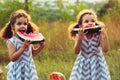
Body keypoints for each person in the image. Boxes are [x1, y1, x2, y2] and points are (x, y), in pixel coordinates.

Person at [0, 9, 45, 80]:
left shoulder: (28, 40)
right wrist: (23, 47)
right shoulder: (12, 41)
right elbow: (13, 58)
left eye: (25, 24)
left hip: (29, 68)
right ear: (12, 26)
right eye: (19, 24)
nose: (23, 26)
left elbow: (31, 54)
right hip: (18, 69)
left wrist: (40, 47)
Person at [68, 9, 111, 80]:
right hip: (83, 64)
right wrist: (80, 38)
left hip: (97, 63)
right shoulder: (78, 35)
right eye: (86, 21)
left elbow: (105, 49)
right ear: (81, 25)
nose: (90, 23)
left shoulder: (98, 34)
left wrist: (104, 35)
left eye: (93, 21)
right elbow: (76, 51)